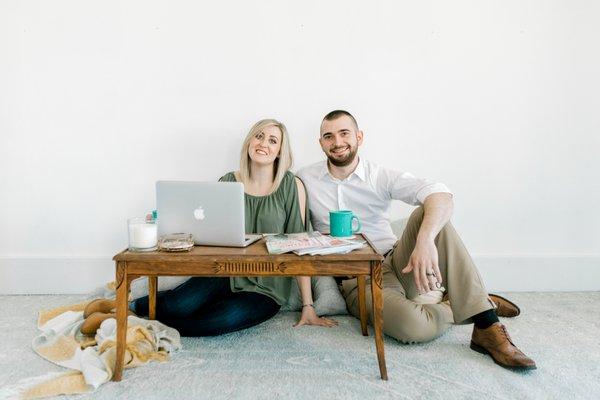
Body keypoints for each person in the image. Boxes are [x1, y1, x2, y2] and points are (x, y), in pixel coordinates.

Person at [297, 110, 536, 370]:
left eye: (344, 133)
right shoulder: (306, 178)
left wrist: (424, 240)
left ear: (359, 137)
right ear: (321, 143)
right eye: (328, 136)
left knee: (428, 213)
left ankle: (487, 325)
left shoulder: (380, 176)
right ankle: (470, 302)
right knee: (412, 328)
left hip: (400, 261)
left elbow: (440, 193)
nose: (337, 142)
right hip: (358, 278)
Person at [82, 119, 337, 336]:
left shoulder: (292, 186)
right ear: (249, 142)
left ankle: (127, 322)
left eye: (272, 140)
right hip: (224, 272)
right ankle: (123, 307)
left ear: (280, 151)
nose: (263, 143)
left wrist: (308, 305)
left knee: (217, 321)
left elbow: (300, 245)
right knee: (181, 303)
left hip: (267, 288)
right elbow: (210, 232)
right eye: (259, 136)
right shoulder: (227, 182)